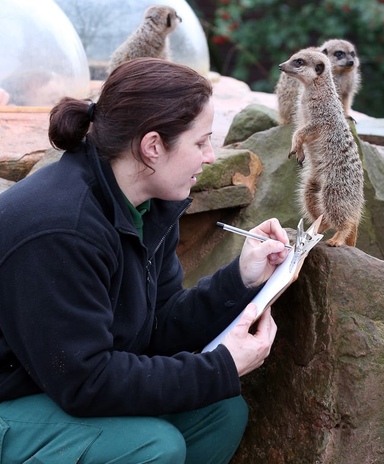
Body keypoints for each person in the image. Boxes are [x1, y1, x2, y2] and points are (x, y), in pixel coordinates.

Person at [0, 58, 290, 463]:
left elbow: (156, 327)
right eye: (201, 142)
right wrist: (220, 367)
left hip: (51, 384)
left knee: (219, 413)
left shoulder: (145, 204)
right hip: (14, 400)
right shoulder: (62, 230)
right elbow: (86, 382)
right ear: (153, 146)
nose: (210, 157)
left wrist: (241, 279)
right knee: (152, 446)